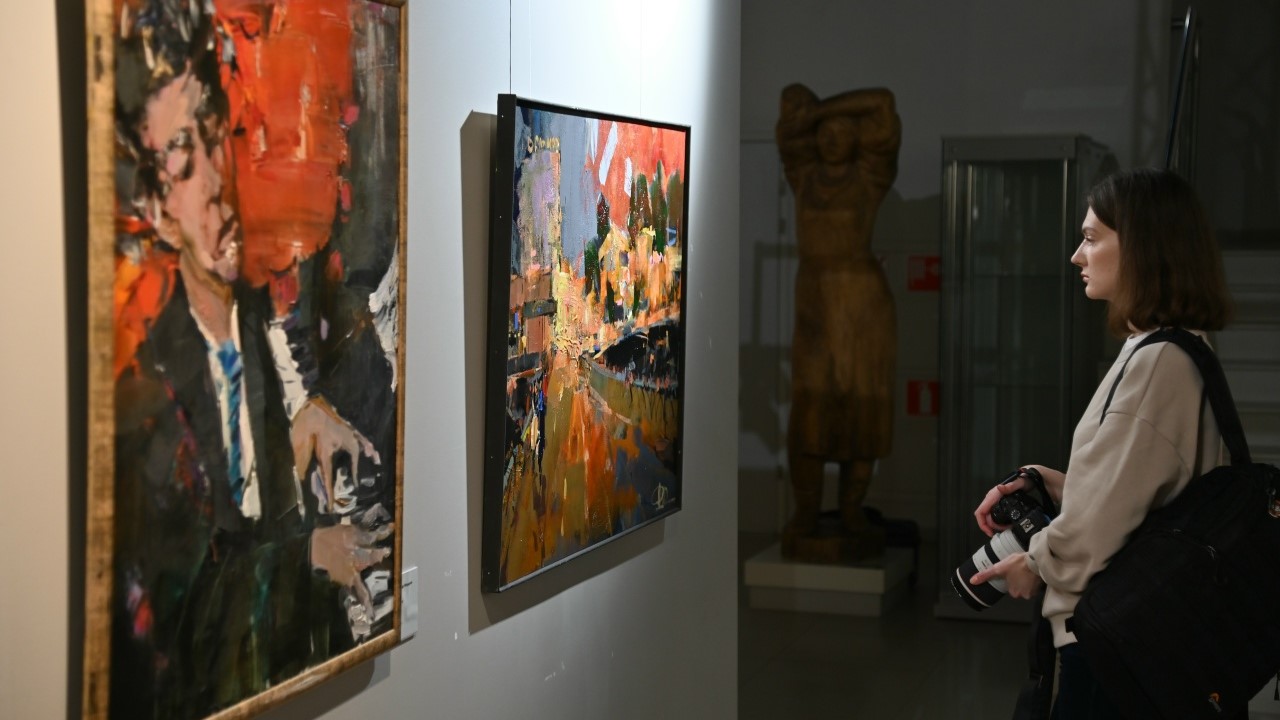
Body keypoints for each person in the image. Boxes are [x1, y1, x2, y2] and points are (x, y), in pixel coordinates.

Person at [110, 3, 394, 716]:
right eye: (184, 156)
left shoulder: (261, 327)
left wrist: (303, 427)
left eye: (217, 134)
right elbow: (184, 630)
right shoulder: (149, 391)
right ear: (156, 205)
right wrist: (311, 558)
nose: (217, 178)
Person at [969, 168, 1235, 718]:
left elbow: (1100, 530)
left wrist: (1035, 565)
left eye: (1091, 238)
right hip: (1147, 638)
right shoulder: (1173, 347)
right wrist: (1056, 483)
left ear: (1141, 248)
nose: (1076, 256)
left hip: (1122, 648)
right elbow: (1144, 497)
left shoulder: (1159, 361)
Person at [775, 84, 901, 549]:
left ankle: (851, 511)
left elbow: (883, 102)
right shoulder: (803, 174)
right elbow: (790, 104)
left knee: (863, 407)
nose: (831, 138)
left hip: (864, 305)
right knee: (811, 407)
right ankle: (806, 513)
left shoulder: (870, 178)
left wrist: (818, 112)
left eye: (843, 132)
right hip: (816, 302)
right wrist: (810, 117)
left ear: (858, 141)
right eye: (823, 132)